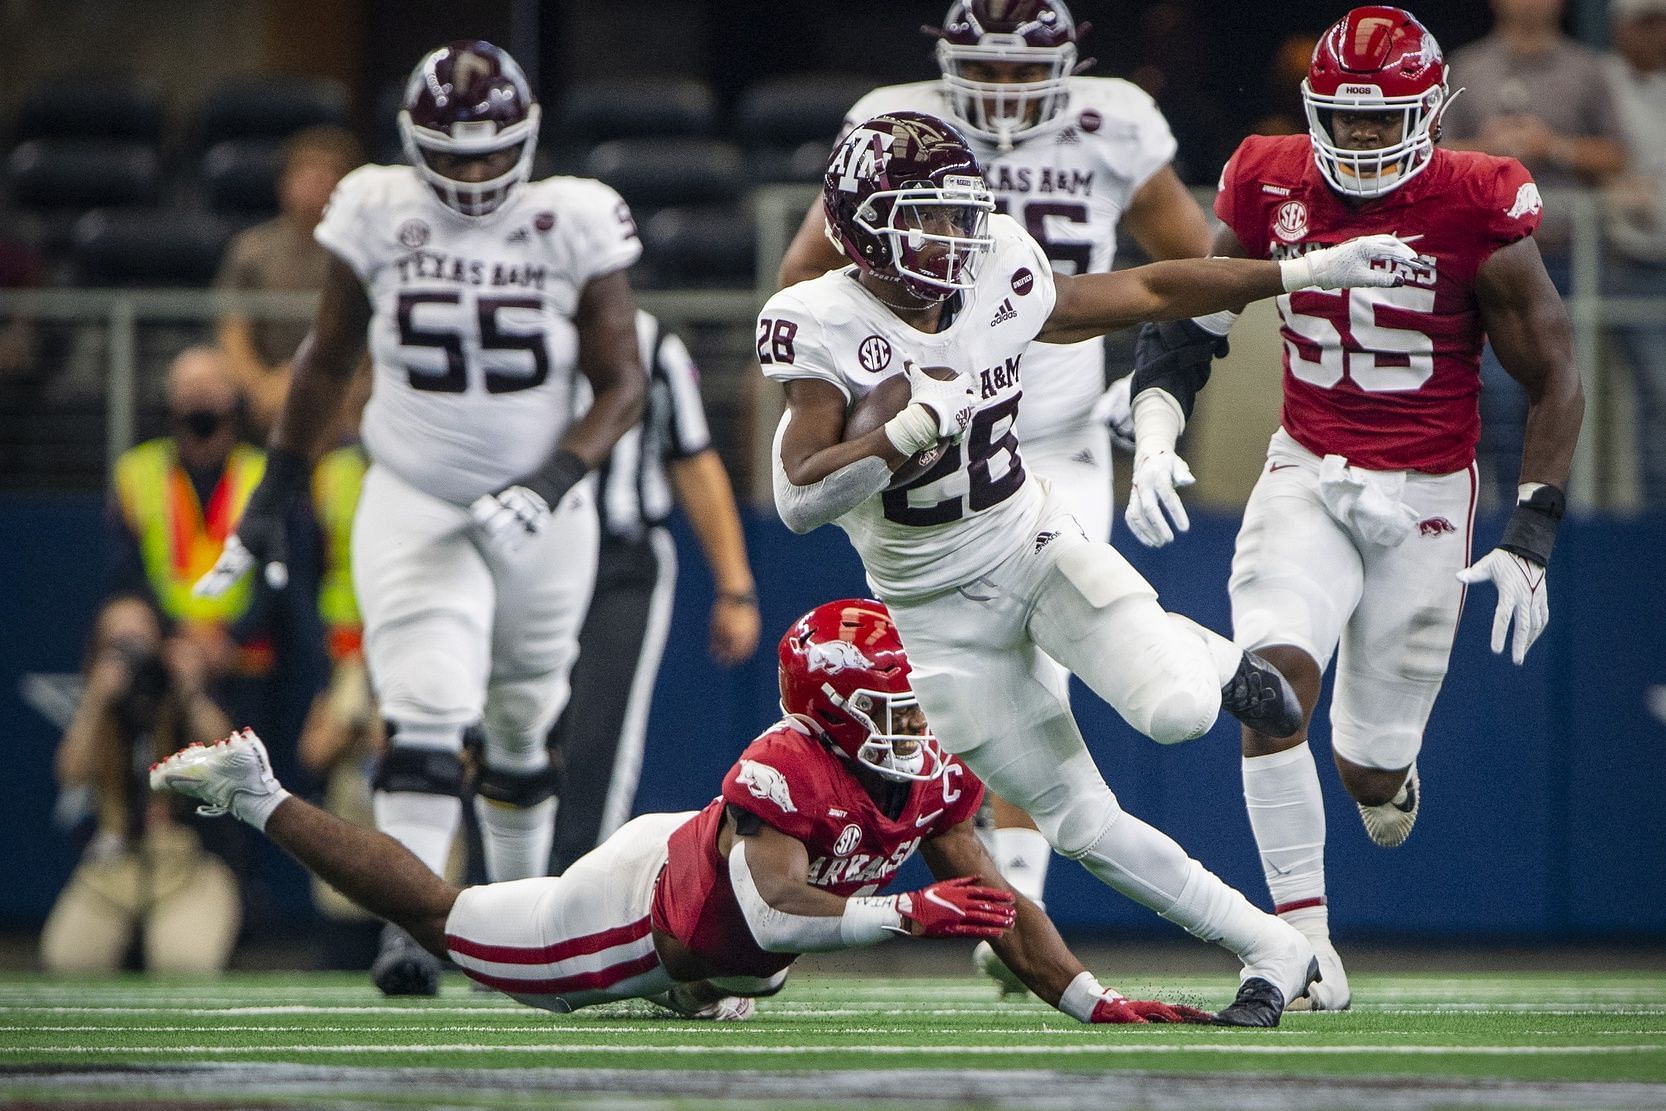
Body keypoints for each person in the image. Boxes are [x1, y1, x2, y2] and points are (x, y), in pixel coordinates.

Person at [763, 110, 1419, 1024]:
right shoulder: (819, 319)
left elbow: (1148, 286)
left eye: (959, 216)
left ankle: (1212, 656)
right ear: (863, 226)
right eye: (926, 219)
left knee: (1180, 710)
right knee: (1082, 827)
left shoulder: (997, 265)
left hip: (1032, 545)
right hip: (930, 613)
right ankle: (1274, 946)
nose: (953, 239)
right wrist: (905, 430)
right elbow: (799, 497)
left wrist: (1297, 272)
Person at [1123, 7, 1585, 1011]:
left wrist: (1531, 532)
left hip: (1425, 494)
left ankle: (1387, 775)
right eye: (1345, 118)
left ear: (1429, 112)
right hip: (1309, 471)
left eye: (1384, 121)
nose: (1364, 138)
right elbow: (1193, 311)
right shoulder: (1267, 175)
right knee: (1272, 687)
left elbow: (1553, 372)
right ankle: (1303, 946)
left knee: (1368, 772)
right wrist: (1155, 431)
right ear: (1312, 109)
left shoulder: (1475, 198)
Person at [152, 599, 1212, 1025]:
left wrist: (1093, 1001)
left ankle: (693, 994)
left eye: (914, 705)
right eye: (886, 708)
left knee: (730, 973)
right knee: (446, 918)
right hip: (638, 912)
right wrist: (902, 916)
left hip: (712, 888)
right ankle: (258, 790)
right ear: (828, 711)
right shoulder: (787, 763)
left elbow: (990, 897)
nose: (912, 725)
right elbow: (770, 913)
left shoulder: (926, 766)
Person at [193, 40, 648, 997]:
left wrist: (556, 475)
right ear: (411, 144)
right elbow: (325, 358)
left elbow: (623, 383)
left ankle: (515, 915)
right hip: (412, 490)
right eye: (454, 154)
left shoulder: (572, 218)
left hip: (543, 508)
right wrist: (274, 493)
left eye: (493, 153)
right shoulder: (377, 205)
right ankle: (412, 923)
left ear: (528, 142)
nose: (476, 173)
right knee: (428, 705)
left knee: (524, 721)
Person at [774, 0, 1215, 987]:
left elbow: (1177, 274)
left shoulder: (1111, 120)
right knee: (956, 680)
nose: (1007, 93)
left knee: (1048, 660)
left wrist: (1147, 387)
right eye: (987, 68)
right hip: (935, 433)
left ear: (1069, 64)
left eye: (1026, 72)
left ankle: (1018, 909)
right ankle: (1009, 906)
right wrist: (881, 390)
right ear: (943, 58)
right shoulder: (896, 126)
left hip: (1050, 431)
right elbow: (809, 269)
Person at [547, 310, 761, 873]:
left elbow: (692, 458)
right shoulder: (507, 320)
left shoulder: (649, 342)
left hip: (619, 563)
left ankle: (572, 901)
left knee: (598, 744)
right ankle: (504, 905)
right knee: (513, 736)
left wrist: (735, 587)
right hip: (521, 558)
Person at [1438, 0, 1623, 507]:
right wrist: (1487, 149)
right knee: (1494, 395)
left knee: (1566, 388)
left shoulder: (1588, 69)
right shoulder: (1468, 66)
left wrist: (1551, 145)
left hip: (1566, 260)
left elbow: (1615, 155)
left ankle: (1556, 509)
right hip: (1485, 263)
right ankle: (1497, 508)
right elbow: (1431, 158)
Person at [42, 596, 239, 973]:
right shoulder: (101, 707)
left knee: (185, 962)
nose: (134, 654)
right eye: (120, 644)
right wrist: (97, 701)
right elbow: (69, 773)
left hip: (183, 865)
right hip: (112, 867)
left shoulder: (179, 696)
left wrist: (191, 690)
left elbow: (229, 757)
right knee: (70, 960)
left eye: (141, 640)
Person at [108, 347, 277, 718]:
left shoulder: (263, 474)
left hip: (245, 658)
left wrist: (228, 637)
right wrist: (176, 632)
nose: (199, 393)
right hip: (166, 649)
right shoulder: (137, 472)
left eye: (211, 383)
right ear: (169, 400)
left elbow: (279, 575)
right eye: (188, 385)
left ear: (234, 398)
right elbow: (127, 572)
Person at [215, 126, 366, 438]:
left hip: (345, 387)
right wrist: (261, 385)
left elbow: (378, 340)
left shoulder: (365, 250)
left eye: (331, 172)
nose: (318, 180)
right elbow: (232, 331)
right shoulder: (251, 250)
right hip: (266, 384)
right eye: (307, 169)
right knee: (198, 372)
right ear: (284, 182)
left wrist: (336, 392)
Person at [1603, 0, 1666, 507]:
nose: (1654, 33)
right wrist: (1611, 182)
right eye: (1643, 21)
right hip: (1628, 260)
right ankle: (1656, 522)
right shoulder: (1599, 79)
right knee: (1660, 394)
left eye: (1662, 21)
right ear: (1619, 27)